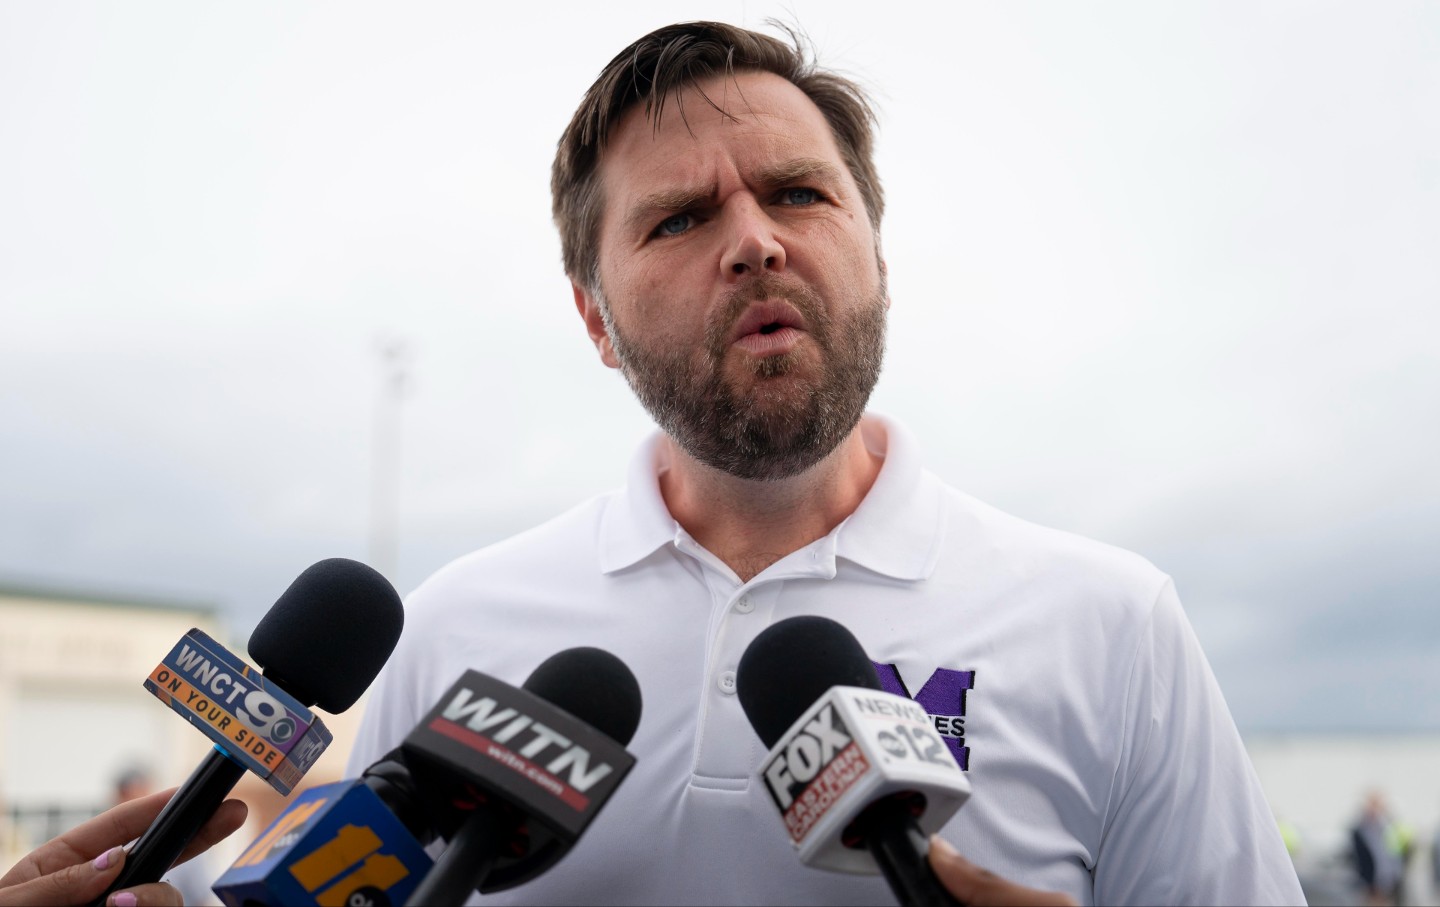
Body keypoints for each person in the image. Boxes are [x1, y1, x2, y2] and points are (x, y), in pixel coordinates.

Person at [348, 20, 1304, 906]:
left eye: (799, 194)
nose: (757, 244)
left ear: (878, 257)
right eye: (679, 219)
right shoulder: (451, 629)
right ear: (595, 317)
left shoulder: (1113, 627)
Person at [0, 787, 245, 907]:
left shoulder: (188, 850)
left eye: (137, 788)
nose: (130, 797)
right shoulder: (97, 844)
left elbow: (203, 899)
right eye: (124, 791)